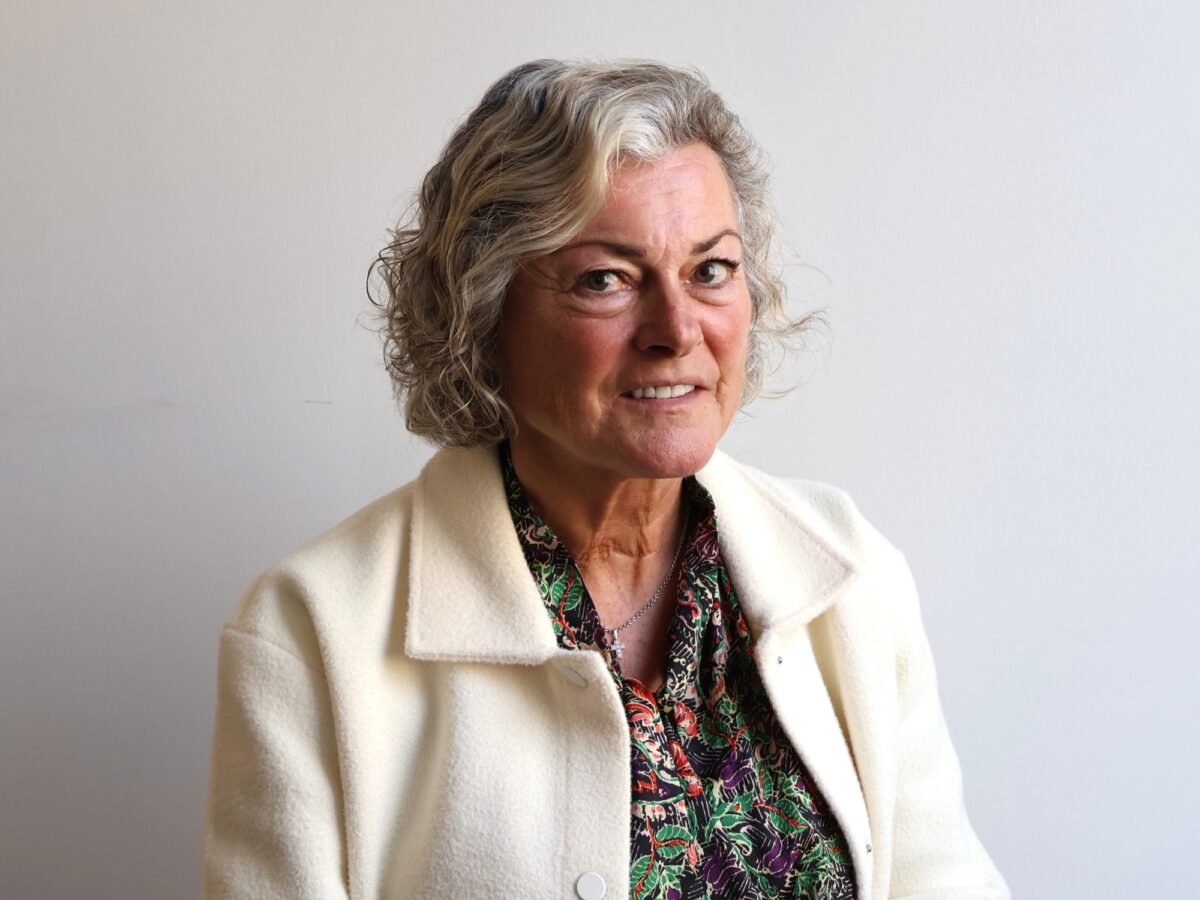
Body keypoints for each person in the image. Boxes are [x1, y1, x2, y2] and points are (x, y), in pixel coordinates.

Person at [201, 59, 1009, 900]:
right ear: (484, 311)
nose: (676, 328)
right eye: (605, 280)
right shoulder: (310, 630)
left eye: (711, 270)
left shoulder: (848, 573)